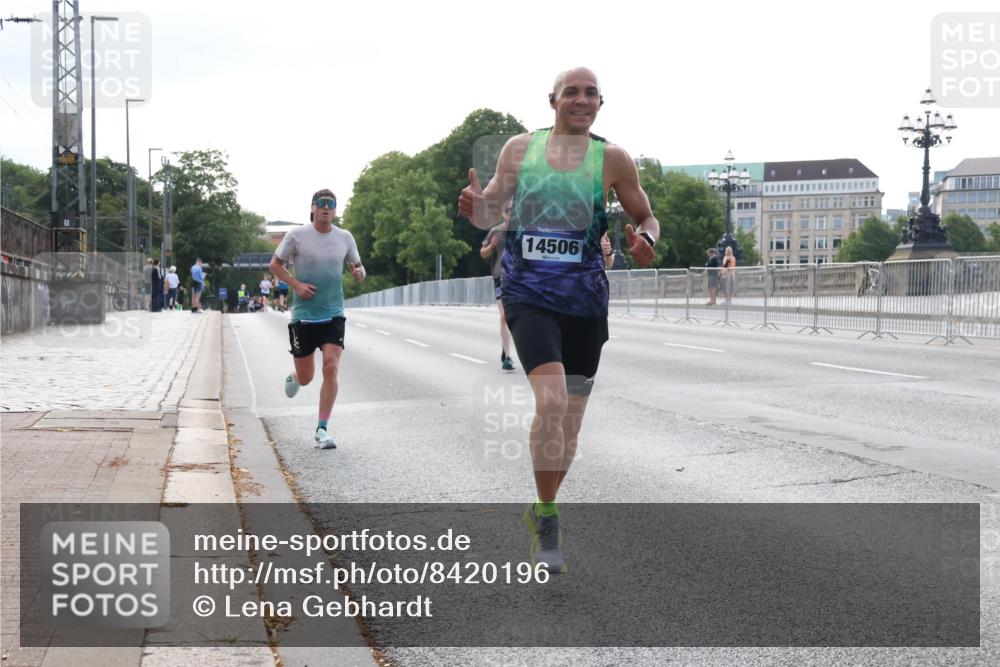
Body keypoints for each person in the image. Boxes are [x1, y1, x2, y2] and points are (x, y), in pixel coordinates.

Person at [458, 67, 659, 573]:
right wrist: (476, 208)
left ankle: (542, 505)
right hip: (528, 294)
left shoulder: (612, 159)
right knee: (551, 402)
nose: (582, 100)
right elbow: (491, 209)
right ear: (553, 100)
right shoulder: (519, 150)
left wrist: (646, 240)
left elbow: (646, 216)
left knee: (569, 427)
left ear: (600, 104)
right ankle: (548, 519)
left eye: (591, 93)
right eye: (572, 92)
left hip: (585, 301)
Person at [269, 189, 365, 450]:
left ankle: (322, 428)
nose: (326, 208)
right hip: (304, 315)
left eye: (330, 204)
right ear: (312, 208)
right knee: (307, 376)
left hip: (333, 312)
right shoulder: (297, 235)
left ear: (335, 210)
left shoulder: (345, 237)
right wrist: (297, 285)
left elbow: (357, 266)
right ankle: (296, 378)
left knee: (331, 367)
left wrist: (360, 273)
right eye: (321, 204)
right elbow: (275, 265)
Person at [480, 199, 515, 370]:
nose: (511, 213)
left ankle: (505, 347)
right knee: (503, 316)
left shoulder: (524, 231)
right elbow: (483, 253)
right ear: (503, 213)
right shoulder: (496, 231)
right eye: (508, 210)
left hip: (520, 279)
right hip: (500, 277)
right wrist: (491, 246)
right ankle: (507, 357)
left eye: (514, 210)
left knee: (517, 317)